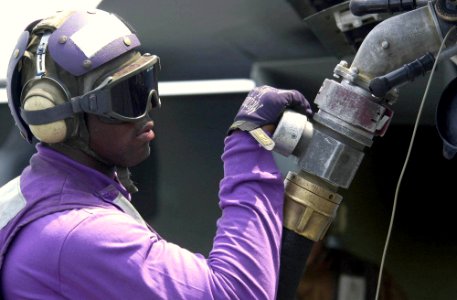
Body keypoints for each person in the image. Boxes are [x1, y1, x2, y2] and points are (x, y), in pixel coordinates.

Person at [0, 9, 312, 299]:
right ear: (58, 122)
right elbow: (237, 294)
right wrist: (249, 144)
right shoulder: (77, 233)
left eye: (147, 82)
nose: (151, 105)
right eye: (127, 95)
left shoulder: (36, 195)